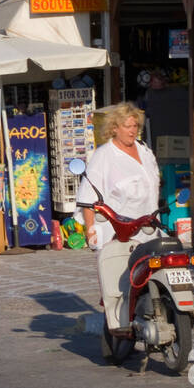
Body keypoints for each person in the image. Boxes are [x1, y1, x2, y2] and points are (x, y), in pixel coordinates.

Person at [77, 103, 159, 342]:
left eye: (135, 126)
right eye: (127, 126)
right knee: (120, 283)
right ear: (114, 128)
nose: (132, 131)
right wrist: (91, 228)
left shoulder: (145, 151)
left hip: (149, 226)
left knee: (151, 277)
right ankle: (119, 323)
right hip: (118, 231)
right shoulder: (104, 156)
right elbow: (88, 197)